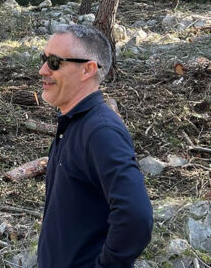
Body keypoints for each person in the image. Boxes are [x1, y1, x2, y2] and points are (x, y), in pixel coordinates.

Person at [37, 25, 152, 267]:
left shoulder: (101, 132)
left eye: (55, 62)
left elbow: (136, 217)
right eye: (44, 59)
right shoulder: (72, 123)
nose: (42, 70)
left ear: (88, 69)